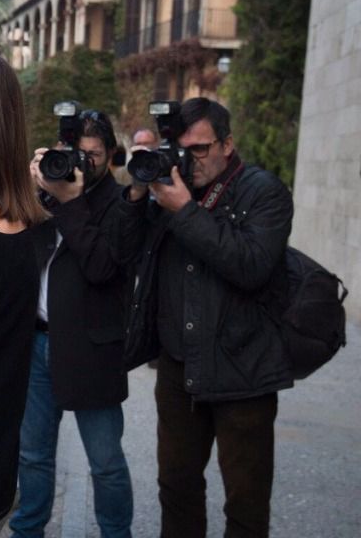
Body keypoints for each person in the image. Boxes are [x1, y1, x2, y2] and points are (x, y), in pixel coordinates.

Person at [114, 97, 294, 537]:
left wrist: (185, 211)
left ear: (227, 144)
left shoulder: (263, 191)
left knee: (246, 502)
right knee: (176, 487)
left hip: (244, 371)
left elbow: (251, 265)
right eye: (180, 148)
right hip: (179, 370)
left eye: (199, 149)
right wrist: (137, 195)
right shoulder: (168, 189)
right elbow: (119, 254)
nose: (188, 160)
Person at [9, 110, 133, 538]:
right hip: (37, 344)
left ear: (111, 155)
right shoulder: (44, 189)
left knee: (106, 463)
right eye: (73, 154)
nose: (81, 164)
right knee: (33, 456)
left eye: (93, 155)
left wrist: (72, 203)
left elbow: (102, 267)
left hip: (91, 350)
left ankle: (117, 533)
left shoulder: (121, 204)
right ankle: (29, 531)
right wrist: (29, 187)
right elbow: (10, 242)